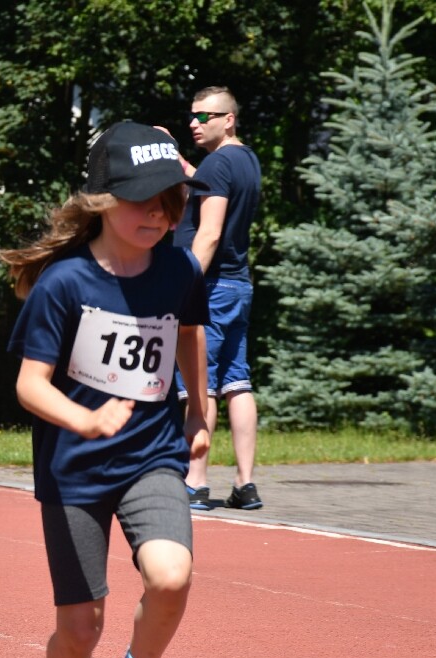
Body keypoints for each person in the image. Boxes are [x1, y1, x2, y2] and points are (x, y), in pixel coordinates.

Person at [0, 121, 211, 658]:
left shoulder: (177, 268)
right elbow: (30, 387)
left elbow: (189, 333)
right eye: (143, 198)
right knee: (81, 624)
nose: (158, 212)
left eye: (171, 199)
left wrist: (200, 412)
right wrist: (84, 421)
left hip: (151, 454)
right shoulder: (65, 284)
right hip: (74, 468)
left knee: (171, 576)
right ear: (101, 200)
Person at [173, 86, 264, 511]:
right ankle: (246, 485)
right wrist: (179, 164)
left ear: (228, 119)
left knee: (200, 382)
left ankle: (196, 482)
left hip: (211, 288)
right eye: (192, 116)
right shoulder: (244, 160)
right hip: (238, 285)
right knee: (237, 381)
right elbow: (207, 189)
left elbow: (208, 231)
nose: (195, 122)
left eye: (205, 116)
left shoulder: (218, 162)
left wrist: (185, 283)